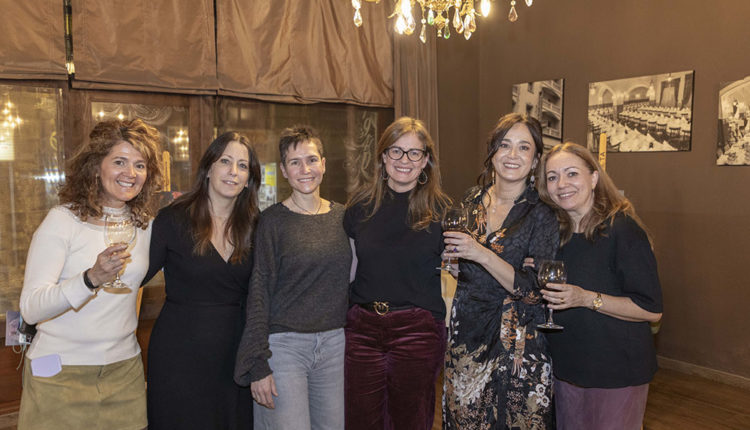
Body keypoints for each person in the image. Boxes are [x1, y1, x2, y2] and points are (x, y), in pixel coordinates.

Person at [18, 119, 163, 429]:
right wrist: (90, 279)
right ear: (96, 166)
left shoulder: (145, 226)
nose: (130, 173)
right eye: (119, 161)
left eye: (140, 165)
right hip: (59, 373)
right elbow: (30, 308)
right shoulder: (63, 220)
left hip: (124, 371)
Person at [442, 113, 559, 429]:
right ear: (492, 151)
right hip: (467, 338)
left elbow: (534, 291)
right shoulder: (470, 200)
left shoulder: (541, 214)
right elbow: (466, 271)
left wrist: (480, 253)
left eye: (524, 147)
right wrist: (454, 263)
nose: (512, 155)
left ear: (535, 160)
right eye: (505, 145)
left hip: (518, 346)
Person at [537, 141, 663, 430]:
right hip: (568, 367)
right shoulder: (557, 234)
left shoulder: (622, 229)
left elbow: (651, 309)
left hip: (616, 370)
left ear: (593, 178)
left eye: (572, 173)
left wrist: (585, 298)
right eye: (553, 177)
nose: (562, 184)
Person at [234, 126, 352, 430]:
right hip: (284, 348)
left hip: (334, 345)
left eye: (311, 160)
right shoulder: (271, 222)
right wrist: (258, 363)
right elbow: (258, 292)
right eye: (295, 162)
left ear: (323, 164)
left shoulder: (344, 218)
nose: (305, 169)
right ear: (284, 170)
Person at [144, 132, 261, 429]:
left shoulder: (257, 226)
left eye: (242, 166)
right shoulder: (172, 220)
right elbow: (133, 278)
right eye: (225, 161)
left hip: (235, 355)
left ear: (249, 179)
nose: (233, 172)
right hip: (179, 353)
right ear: (208, 168)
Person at [344, 116, 451, 430]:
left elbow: (458, 268)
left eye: (414, 152)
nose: (404, 160)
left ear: (426, 160)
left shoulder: (442, 211)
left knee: (410, 422)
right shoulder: (359, 207)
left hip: (417, 331)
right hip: (362, 331)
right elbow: (350, 270)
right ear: (383, 156)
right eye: (396, 151)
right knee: (360, 422)